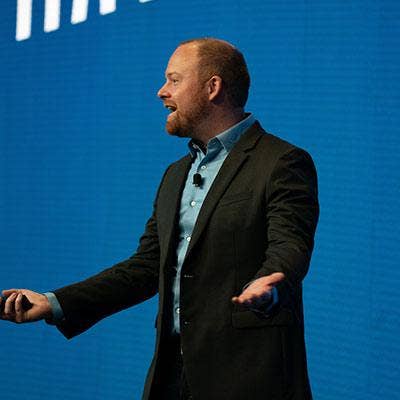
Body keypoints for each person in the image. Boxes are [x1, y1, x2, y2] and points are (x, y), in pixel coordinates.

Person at [0, 38, 319, 400]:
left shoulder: (280, 162)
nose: (161, 91)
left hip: (249, 376)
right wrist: (55, 303)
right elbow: (147, 267)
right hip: (171, 378)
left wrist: (272, 279)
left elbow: (289, 244)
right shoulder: (175, 175)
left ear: (213, 87)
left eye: (174, 80)